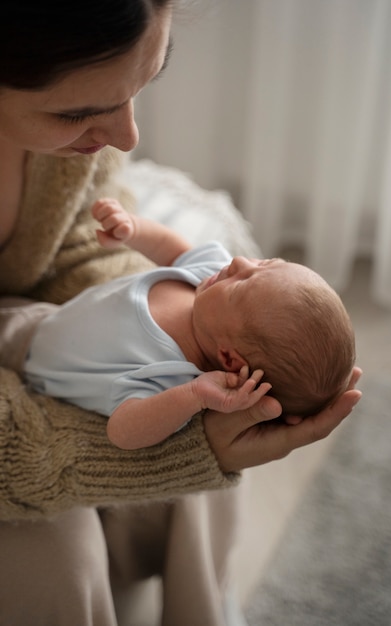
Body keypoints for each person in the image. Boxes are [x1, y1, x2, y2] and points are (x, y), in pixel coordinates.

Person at [0, 1, 362, 625]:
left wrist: (167, 350)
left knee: (210, 474)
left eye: (145, 83)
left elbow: (89, 247)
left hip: (44, 331)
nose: (128, 138)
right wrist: (192, 445)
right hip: (26, 341)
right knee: (65, 549)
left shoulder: (91, 151)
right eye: (78, 112)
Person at [24, 198, 356, 451]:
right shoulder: (210, 275)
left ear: (228, 360)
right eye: (266, 262)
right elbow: (171, 249)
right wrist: (133, 229)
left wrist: (194, 396)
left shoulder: (172, 376)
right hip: (44, 317)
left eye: (241, 285)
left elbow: (123, 433)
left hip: (40, 384)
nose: (239, 261)